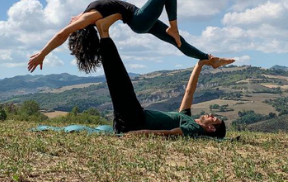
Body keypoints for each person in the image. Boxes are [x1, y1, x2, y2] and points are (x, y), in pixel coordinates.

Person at [28, 0, 235, 73]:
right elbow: (62, 33)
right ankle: (174, 27)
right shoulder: (90, 17)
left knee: (178, 43)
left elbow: (69, 26)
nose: (70, 23)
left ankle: (210, 59)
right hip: (139, 20)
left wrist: (76, 20)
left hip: (142, 22)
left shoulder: (84, 15)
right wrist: (42, 53)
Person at [95, 13, 226, 138]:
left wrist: (137, 134)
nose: (210, 115)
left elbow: (170, 133)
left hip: (135, 122)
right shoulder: (187, 118)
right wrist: (200, 64)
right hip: (135, 118)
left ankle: (104, 32)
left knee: (120, 81)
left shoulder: (194, 128)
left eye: (213, 118)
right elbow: (189, 92)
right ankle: (103, 32)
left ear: (211, 128)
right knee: (119, 82)